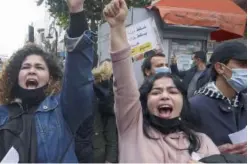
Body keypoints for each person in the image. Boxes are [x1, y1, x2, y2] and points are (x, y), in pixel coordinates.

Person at [0, 0, 94, 162]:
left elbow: (79, 76)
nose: (32, 70)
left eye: (39, 67)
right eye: (26, 67)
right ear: (16, 76)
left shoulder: (62, 110)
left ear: (50, 79)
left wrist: (76, 13)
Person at [103, 0, 219, 162]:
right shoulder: (132, 127)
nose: (165, 96)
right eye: (156, 92)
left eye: (172, 91)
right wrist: (117, 27)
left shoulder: (202, 143)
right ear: (146, 100)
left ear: (183, 101)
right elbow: (123, 77)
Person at [189, 41, 247, 155]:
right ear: (220, 68)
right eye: (242, 64)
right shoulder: (195, 106)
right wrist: (215, 152)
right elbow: (185, 151)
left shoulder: (244, 101)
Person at [91, 60, 118, 163]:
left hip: (100, 154)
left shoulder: (108, 97)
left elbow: (111, 137)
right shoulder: (90, 92)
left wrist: (109, 160)